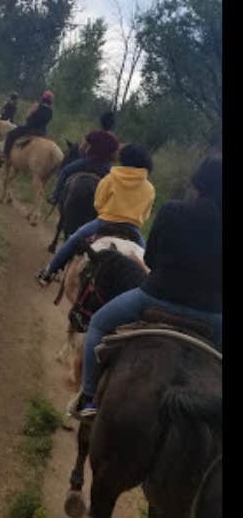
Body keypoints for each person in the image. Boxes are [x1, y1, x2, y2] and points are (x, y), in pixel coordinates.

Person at [68, 155, 222, 419]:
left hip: (155, 298)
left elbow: (149, 260)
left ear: (198, 184)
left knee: (99, 325)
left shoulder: (173, 210)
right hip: (210, 314)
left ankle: (89, 397)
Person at [37, 143, 155, 282]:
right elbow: (145, 214)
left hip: (105, 222)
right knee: (147, 263)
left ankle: (49, 272)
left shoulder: (111, 178)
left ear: (124, 159)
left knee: (74, 239)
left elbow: (98, 203)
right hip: (133, 229)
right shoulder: (149, 188)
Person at [48, 111, 120, 205]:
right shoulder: (114, 140)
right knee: (116, 186)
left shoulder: (93, 134)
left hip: (88, 163)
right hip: (105, 168)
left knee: (65, 171)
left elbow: (81, 148)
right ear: (112, 125)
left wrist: (84, 156)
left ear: (101, 122)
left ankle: (55, 196)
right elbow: (115, 158)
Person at [0, 90, 54, 164]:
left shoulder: (37, 105)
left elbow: (27, 116)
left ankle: (5, 155)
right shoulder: (50, 111)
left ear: (43, 97)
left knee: (10, 134)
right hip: (42, 133)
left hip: (30, 129)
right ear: (51, 100)